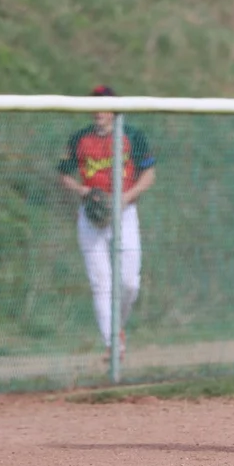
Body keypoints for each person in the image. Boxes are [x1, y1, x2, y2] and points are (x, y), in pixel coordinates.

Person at [57, 85, 157, 358]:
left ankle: (117, 328)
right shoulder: (80, 138)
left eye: (104, 104)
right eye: (95, 104)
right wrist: (83, 191)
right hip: (92, 215)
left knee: (129, 283)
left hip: (124, 213)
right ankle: (112, 345)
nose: (99, 110)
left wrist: (125, 198)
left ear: (115, 108)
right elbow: (64, 175)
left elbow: (149, 175)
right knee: (100, 283)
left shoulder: (132, 136)